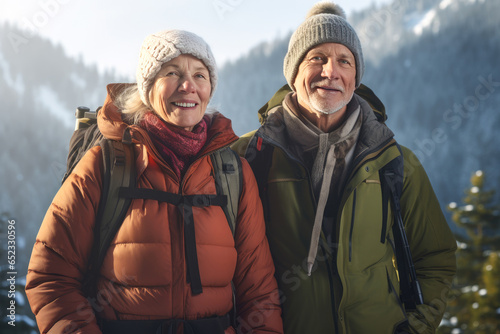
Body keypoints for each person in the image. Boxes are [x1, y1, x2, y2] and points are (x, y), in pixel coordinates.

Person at [26, 29, 283, 334]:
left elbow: (260, 295)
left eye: (200, 75)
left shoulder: (233, 173)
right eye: (173, 73)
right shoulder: (105, 165)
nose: (188, 86)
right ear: (148, 88)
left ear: (210, 89)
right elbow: (51, 277)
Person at [232, 2, 457, 333]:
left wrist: (415, 327)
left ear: (355, 76)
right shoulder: (249, 155)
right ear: (294, 73)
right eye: (317, 58)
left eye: (344, 61)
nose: (330, 72)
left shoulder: (394, 161)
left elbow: (436, 257)